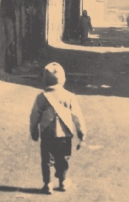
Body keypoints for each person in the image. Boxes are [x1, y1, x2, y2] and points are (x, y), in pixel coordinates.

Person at [29, 62, 87, 194]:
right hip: (65, 135)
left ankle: (48, 184)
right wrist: (81, 132)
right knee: (63, 158)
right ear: (63, 79)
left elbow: (34, 116)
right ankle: (62, 181)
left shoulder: (41, 97)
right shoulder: (70, 97)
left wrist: (33, 130)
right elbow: (77, 116)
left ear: (45, 80)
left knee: (47, 160)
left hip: (47, 133)